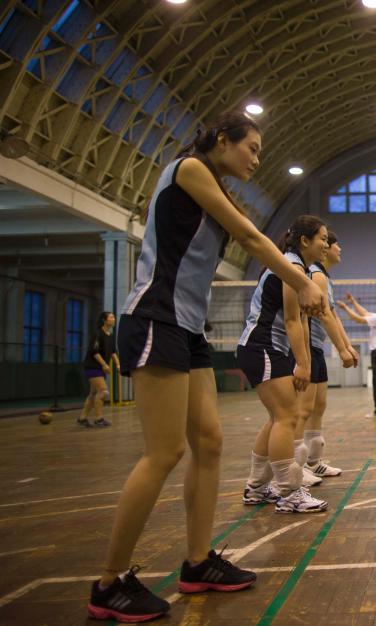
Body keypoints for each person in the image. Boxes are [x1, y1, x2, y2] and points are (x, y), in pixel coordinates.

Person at [88, 111, 325, 623]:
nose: (256, 159)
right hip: (156, 317)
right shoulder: (190, 169)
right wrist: (302, 281)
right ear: (221, 139)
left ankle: (198, 563)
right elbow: (251, 238)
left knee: (210, 442)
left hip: (189, 328)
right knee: (165, 451)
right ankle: (108, 583)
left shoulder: (215, 187)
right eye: (251, 147)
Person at [240, 215, 332, 514]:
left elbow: (301, 321)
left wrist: (302, 359)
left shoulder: (296, 267)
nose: (326, 244)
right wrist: (303, 364)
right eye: (322, 238)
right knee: (287, 416)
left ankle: (256, 487)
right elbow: (292, 320)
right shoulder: (291, 267)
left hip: (266, 347)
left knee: (276, 418)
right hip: (263, 345)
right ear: (305, 240)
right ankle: (289, 492)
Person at [293, 231, 358, 486]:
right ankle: (295, 467)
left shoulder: (325, 277)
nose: (339, 249)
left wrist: (348, 345)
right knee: (303, 409)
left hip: (317, 345)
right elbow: (325, 315)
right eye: (334, 244)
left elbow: (333, 314)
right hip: (307, 344)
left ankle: (313, 462)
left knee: (318, 406)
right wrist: (342, 349)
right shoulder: (315, 274)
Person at [79, 311, 119, 428]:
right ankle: (99, 419)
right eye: (111, 317)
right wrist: (104, 365)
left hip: (100, 368)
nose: (114, 319)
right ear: (104, 320)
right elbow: (94, 352)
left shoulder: (111, 335)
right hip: (93, 366)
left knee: (93, 394)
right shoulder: (97, 334)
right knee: (103, 391)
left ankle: (82, 418)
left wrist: (118, 365)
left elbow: (113, 352)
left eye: (114, 317)